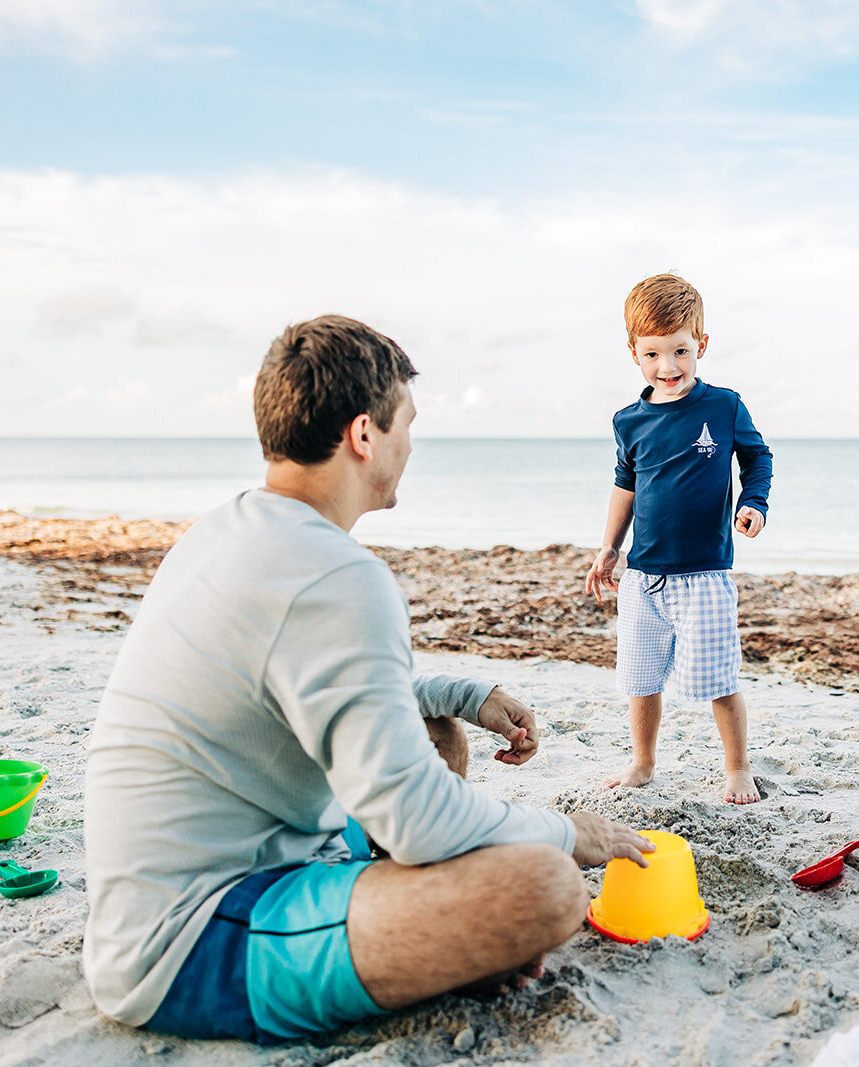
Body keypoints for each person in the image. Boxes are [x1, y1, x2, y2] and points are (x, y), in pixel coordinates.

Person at [83, 315, 653, 1044]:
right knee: (545, 887)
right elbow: (420, 822)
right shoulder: (339, 575)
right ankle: (434, 944)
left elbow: (313, 690)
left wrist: (462, 695)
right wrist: (570, 830)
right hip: (186, 939)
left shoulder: (232, 529)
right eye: (406, 425)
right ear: (364, 435)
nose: (411, 445)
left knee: (433, 734)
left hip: (196, 881)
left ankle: (418, 931)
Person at [583, 273, 774, 804]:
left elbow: (758, 458)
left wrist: (753, 504)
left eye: (681, 351)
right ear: (634, 353)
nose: (668, 367)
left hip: (705, 575)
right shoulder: (629, 421)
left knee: (719, 679)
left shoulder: (724, 406)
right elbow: (626, 485)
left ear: (701, 345)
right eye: (653, 354)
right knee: (640, 680)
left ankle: (737, 768)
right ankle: (642, 762)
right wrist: (608, 548)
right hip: (643, 576)